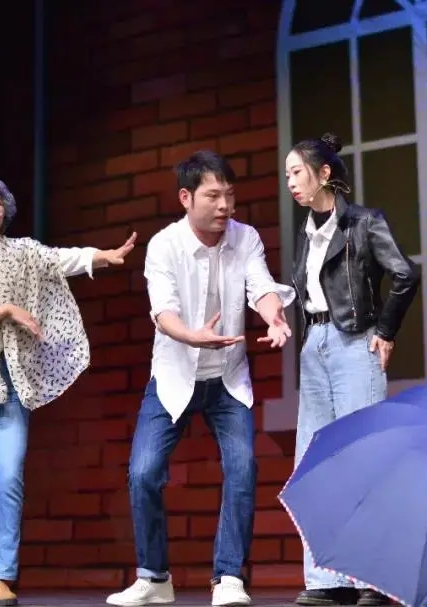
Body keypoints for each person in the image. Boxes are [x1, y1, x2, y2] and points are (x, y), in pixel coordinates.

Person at [0, 173, 138, 607]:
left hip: (9, 381)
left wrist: (102, 256)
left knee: (9, 477)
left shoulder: (22, 253)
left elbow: (60, 259)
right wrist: (3, 310)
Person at [106, 151, 295, 607]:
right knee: (143, 472)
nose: (224, 205)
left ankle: (228, 578)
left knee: (243, 467)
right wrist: (194, 337)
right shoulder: (163, 245)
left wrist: (274, 317)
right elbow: (163, 311)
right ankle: (154, 578)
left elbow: (261, 286)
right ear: (186, 198)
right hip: (173, 377)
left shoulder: (245, 237)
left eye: (229, 195)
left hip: (228, 379)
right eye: (213, 195)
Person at [285, 133, 420, 607]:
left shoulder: (364, 222)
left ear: (324, 174)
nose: (290, 183)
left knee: (365, 459)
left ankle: (373, 578)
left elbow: (405, 273)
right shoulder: (306, 232)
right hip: (315, 347)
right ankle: (327, 580)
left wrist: (386, 330)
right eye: (287, 175)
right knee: (316, 462)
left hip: (354, 343)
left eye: (297, 172)